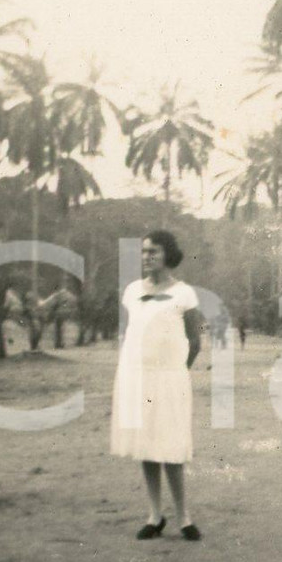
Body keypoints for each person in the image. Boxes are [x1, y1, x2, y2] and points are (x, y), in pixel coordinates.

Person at [111, 230, 204, 541]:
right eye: (144, 251)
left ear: (168, 255)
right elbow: (131, 335)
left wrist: (176, 373)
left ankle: (184, 517)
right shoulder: (132, 291)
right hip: (137, 377)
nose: (147, 257)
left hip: (170, 379)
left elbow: (195, 342)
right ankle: (155, 515)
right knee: (146, 446)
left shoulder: (184, 294)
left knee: (171, 448)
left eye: (154, 251)